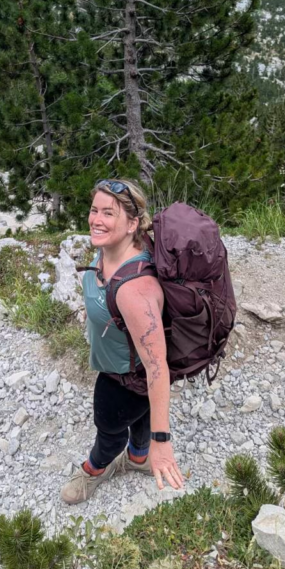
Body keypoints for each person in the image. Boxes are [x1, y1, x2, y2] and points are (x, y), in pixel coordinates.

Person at [60, 179, 185, 505]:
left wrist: (163, 440)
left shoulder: (134, 291)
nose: (96, 219)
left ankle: (95, 468)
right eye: (94, 210)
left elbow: (157, 371)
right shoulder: (119, 248)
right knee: (139, 415)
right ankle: (139, 457)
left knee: (110, 430)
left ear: (132, 224)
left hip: (123, 378)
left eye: (108, 213)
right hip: (131, 368)